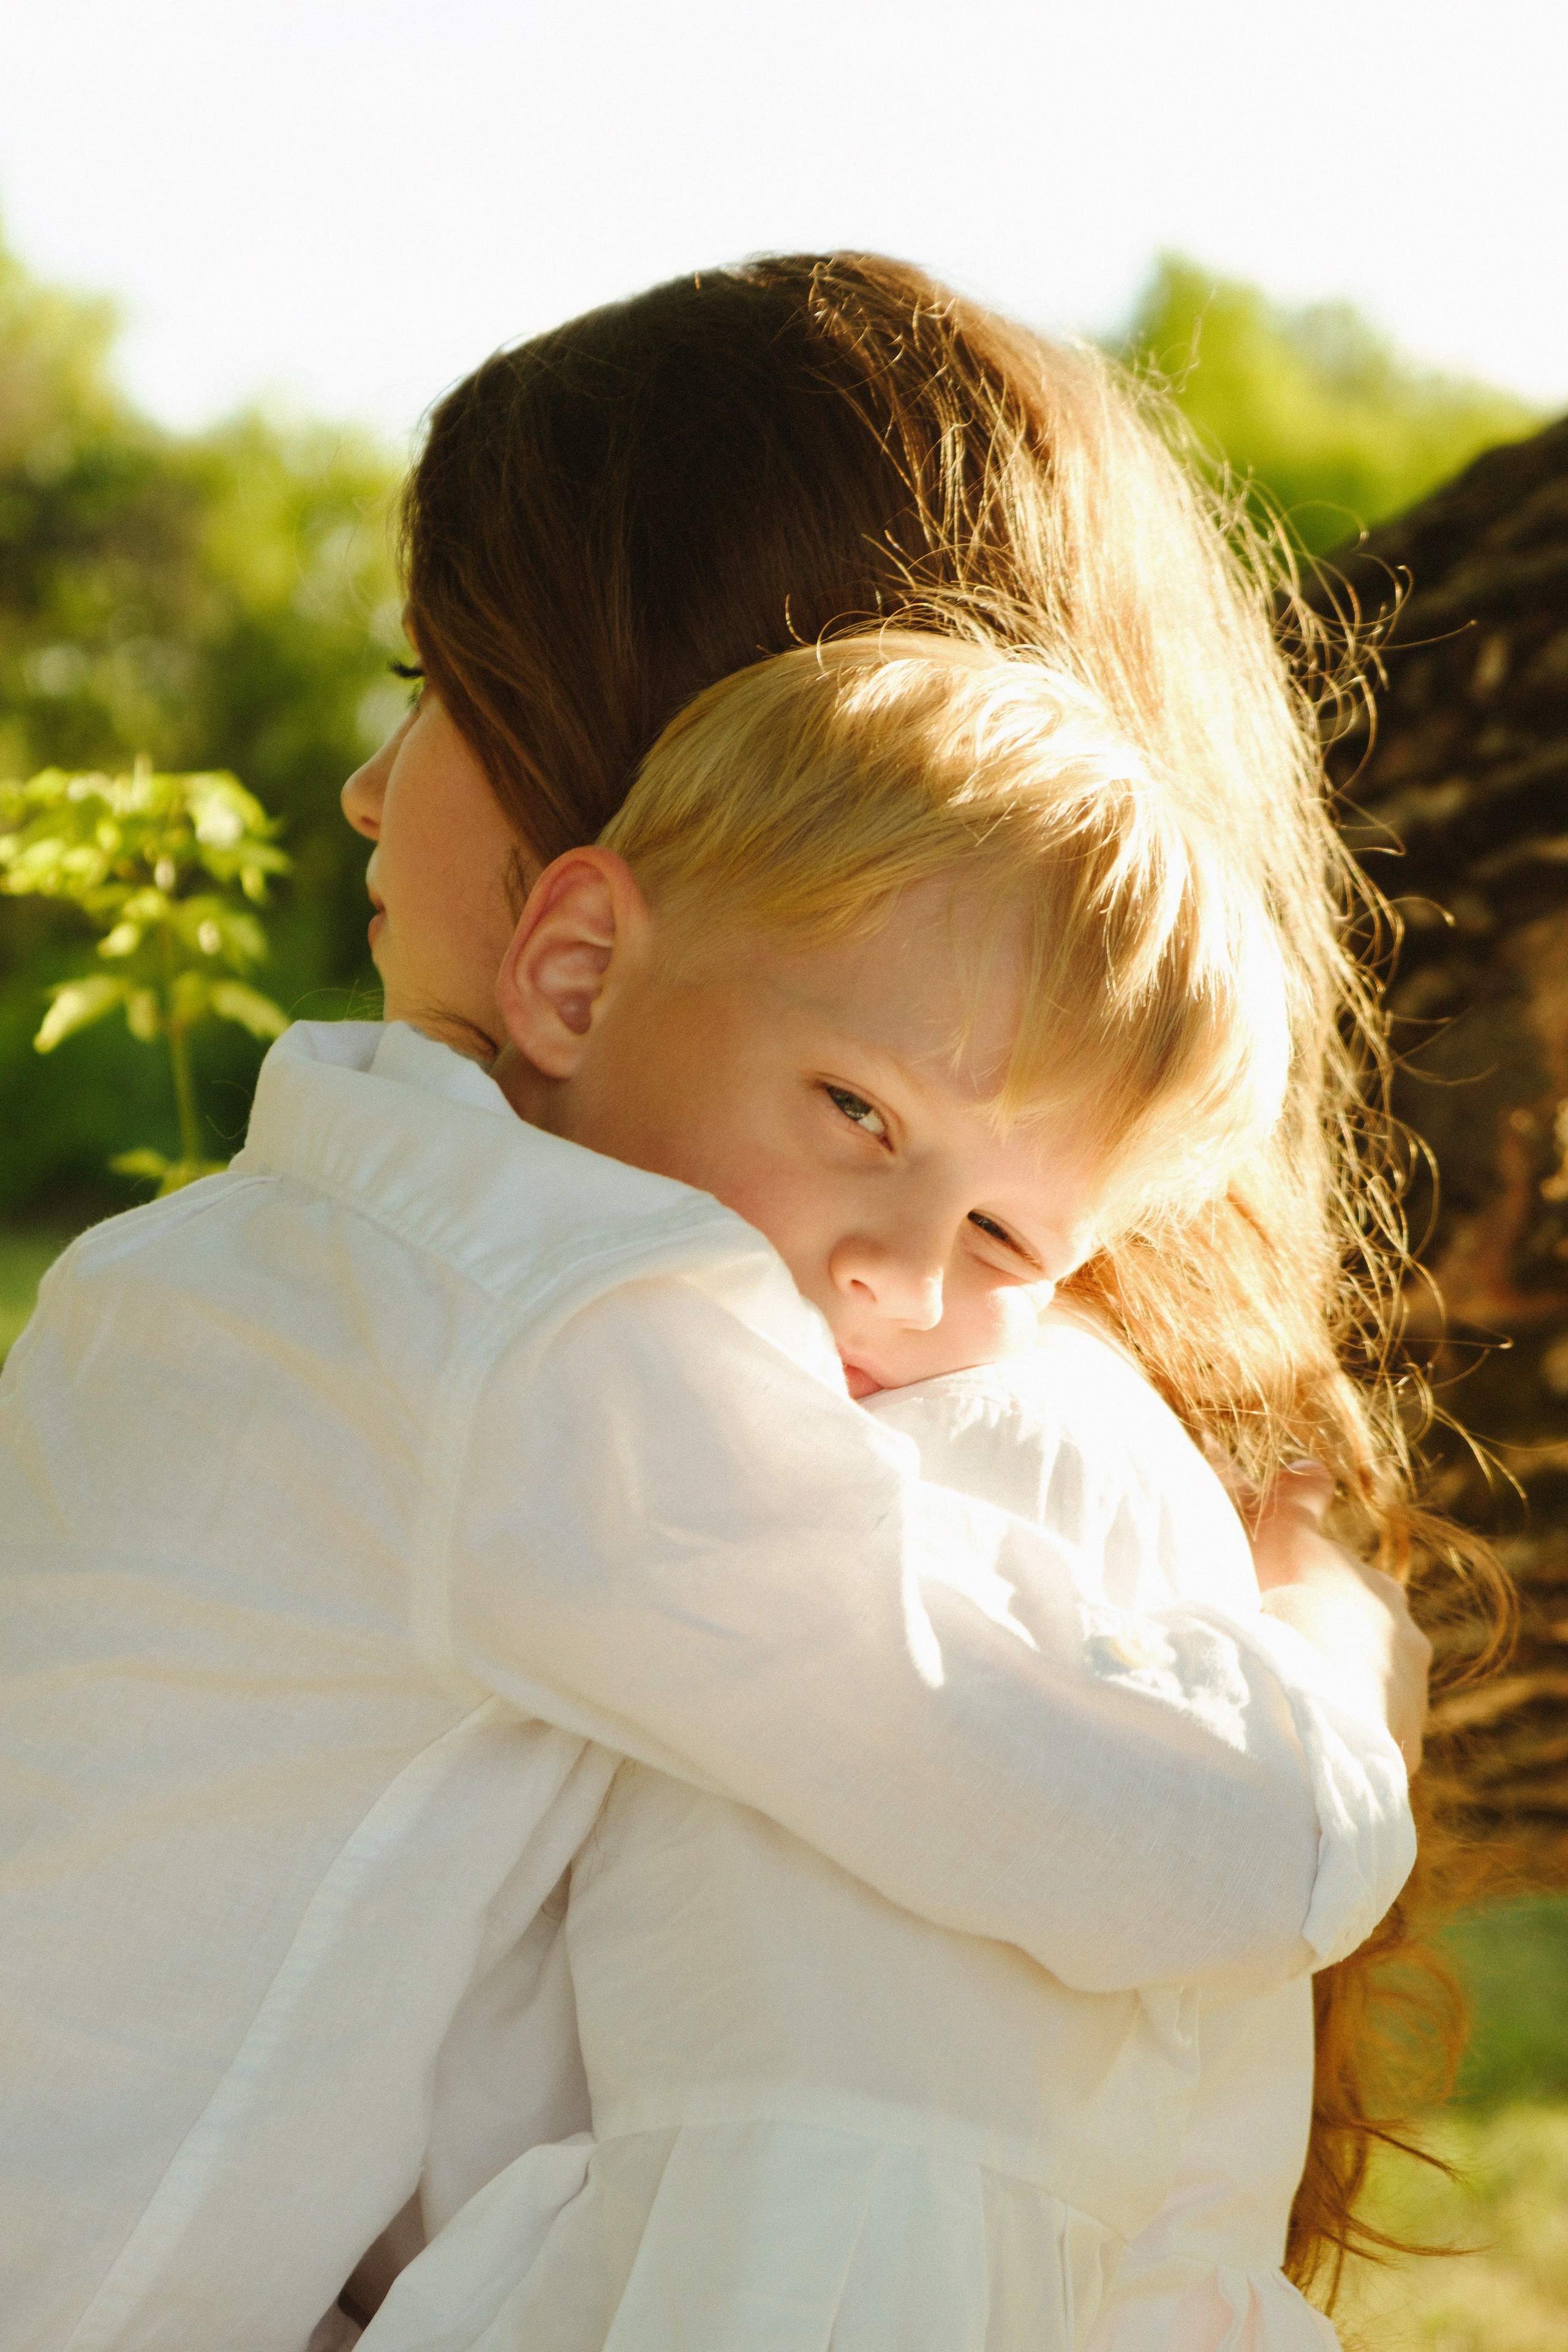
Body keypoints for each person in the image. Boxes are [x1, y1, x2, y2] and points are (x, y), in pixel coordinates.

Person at [0, 257, 1436, 2352]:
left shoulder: (299, 1254)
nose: (371, 787)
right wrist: (1334, 1677)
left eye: (442, 685)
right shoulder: (559, 1338)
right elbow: (1101, 1807)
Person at [347, 631, 1397, 2352]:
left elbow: (848, 2219)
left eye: (1005, 1238)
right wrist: (1339, 1666)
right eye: (858, 1113)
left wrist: (1333, 1683)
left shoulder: (967, 1452)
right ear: (579, 974)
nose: (901, 1277)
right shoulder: (604, 1396)